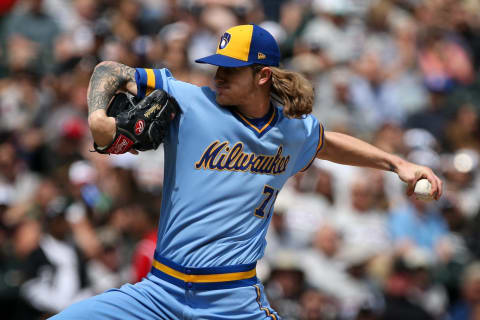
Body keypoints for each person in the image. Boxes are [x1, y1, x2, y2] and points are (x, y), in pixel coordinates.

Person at [51, 24, 442, 319]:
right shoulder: (190, 101)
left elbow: (327, 142)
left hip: (233, 301)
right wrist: (98, 115)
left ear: (262, 75)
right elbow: (109, 71)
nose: (218, 75)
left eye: (230, 69)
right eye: (217, 66)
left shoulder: (292, 131)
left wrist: (398, 163)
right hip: (158, 293)